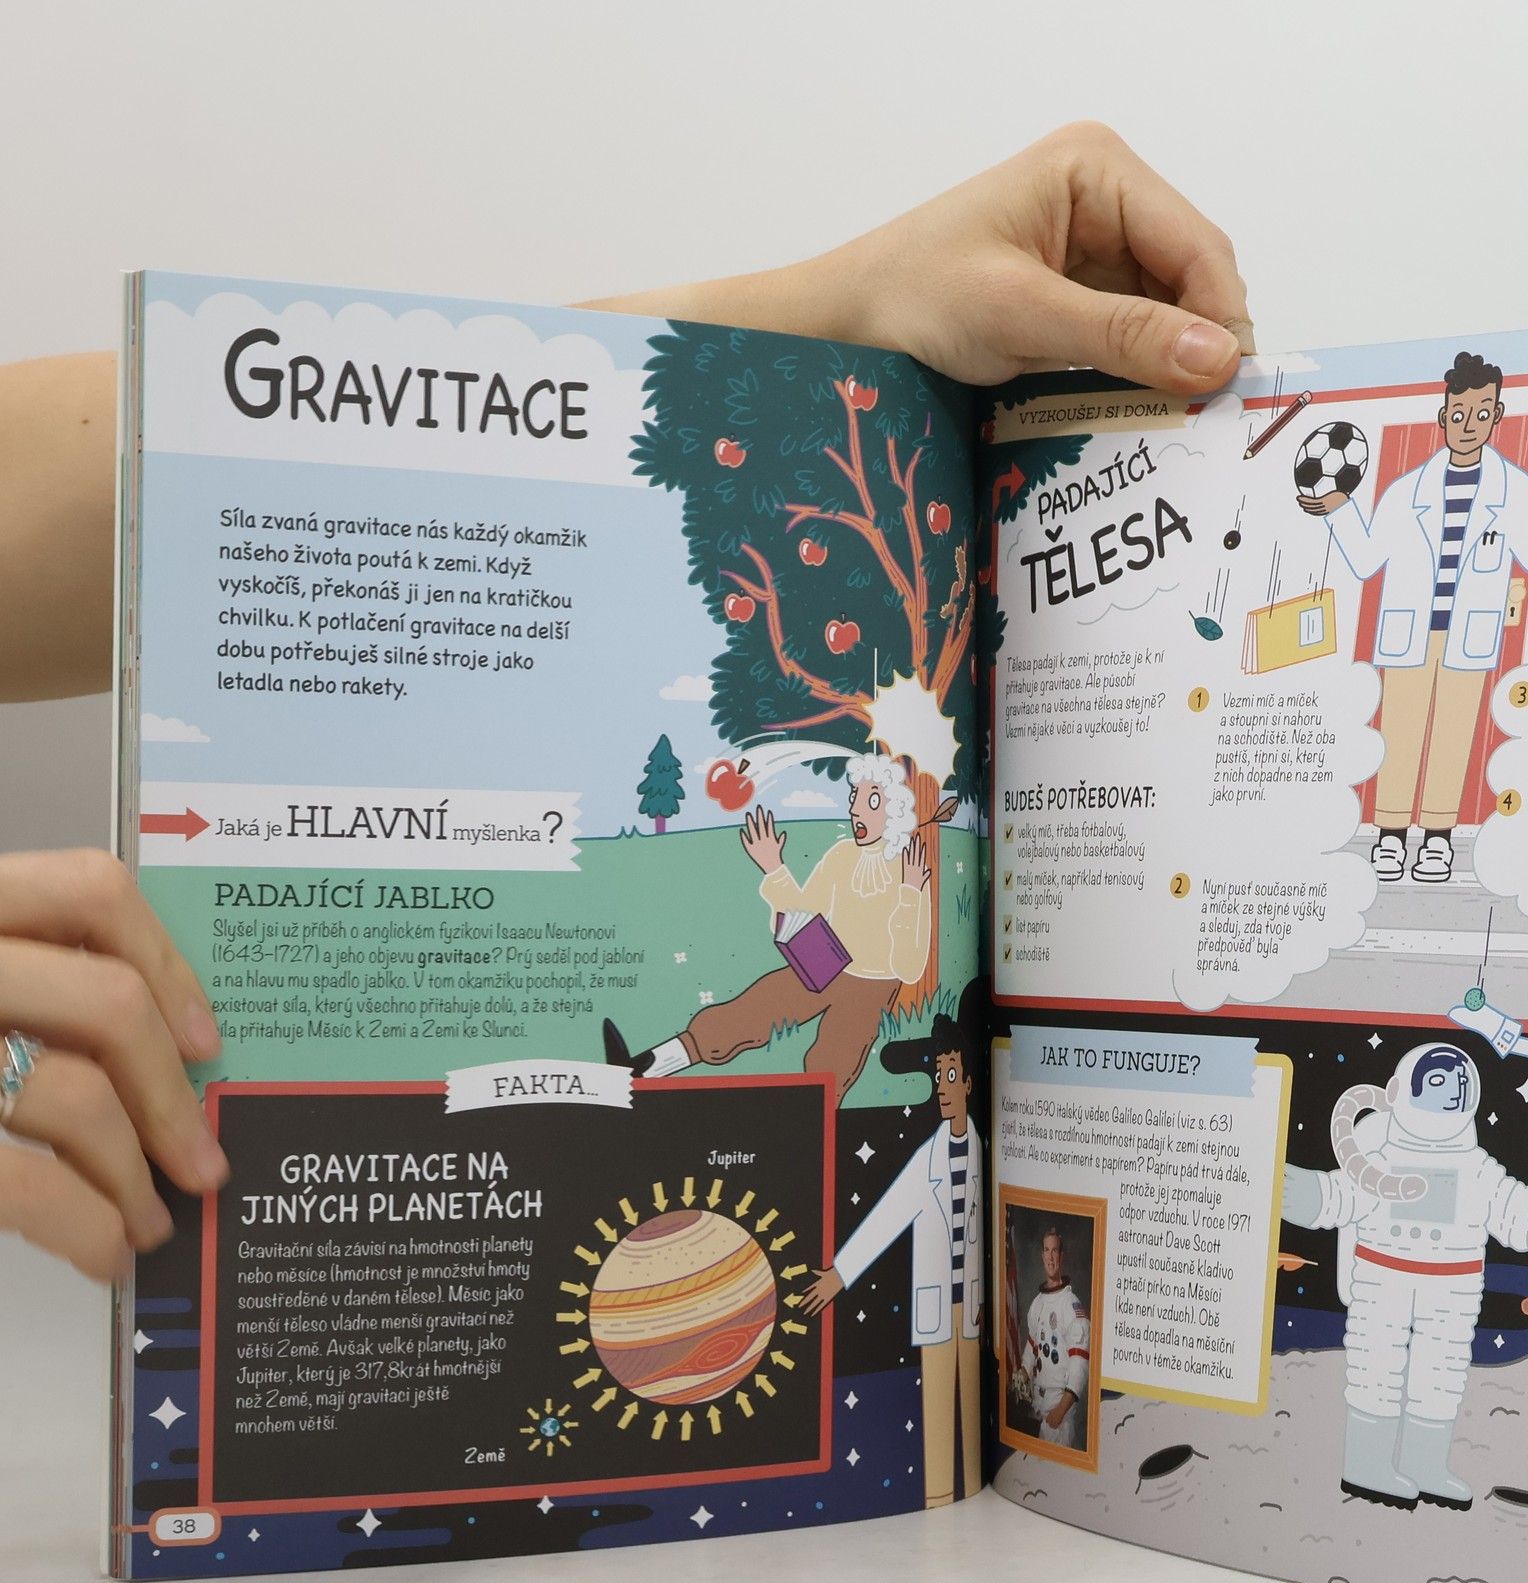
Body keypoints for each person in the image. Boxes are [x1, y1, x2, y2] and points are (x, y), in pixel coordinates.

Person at [0, 123, 1255, 1289]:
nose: (867, 796)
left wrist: (846, 307)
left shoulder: (910, 865)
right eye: (868, 786)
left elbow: (176, 470)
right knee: (754, 1013)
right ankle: (662, 1069)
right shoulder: (862, 850)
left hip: (860, 985)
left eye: (882, 788)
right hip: (826, 967)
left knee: (820, 1045)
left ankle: (778, 1117)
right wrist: (778, 881)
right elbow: (813, 922)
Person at [1298, 350, 1528, 885]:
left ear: (1496, 416)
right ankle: (1389, 835)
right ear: (1443, 417)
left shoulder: (1513, 489)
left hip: (1468, 637)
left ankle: (1436, 838)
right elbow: (1364, 561)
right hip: (1409, 634)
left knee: (1452, 736)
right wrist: (1339, 509)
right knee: (1401, 734)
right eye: (1458, 414)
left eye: (1480, 414)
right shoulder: (1405, 492)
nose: (1468, 425)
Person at [1279, 1042, 1528, 1512]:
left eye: (1458, 1085)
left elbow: (1511, 1207)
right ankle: (1367, 1465)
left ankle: (1425, 1465)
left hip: (1451, 1290)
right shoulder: (1377, 1160)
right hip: (1382, 1278)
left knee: (1441, 1374)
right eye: (1436, 1082)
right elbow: (1342, 1195)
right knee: (1375, 1366)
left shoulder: (1474, 1168)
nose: (1450, 1092)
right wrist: (1310, 1195)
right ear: (1400, 1091)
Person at [603, 755, 931, 1105]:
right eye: (855, 797)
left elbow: (910, 968)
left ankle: (812, 1124)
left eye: (872, 800)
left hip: (873, 983)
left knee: (834, 1057)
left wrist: (910, 893)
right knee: (745, 1014)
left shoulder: (908, 868)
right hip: (827, 963)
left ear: (894, 810)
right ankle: (641, 1070)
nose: (855, 809)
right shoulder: (841, 855)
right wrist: (775, 868)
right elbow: (804, 913)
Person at [798, 1013, 981, 1505]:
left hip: (973, 1307)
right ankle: (940, 1496)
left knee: (972, 1405)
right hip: (938, 1306)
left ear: (968, 1082)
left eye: (950, 1075)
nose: (942, 1088)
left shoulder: (979, 1146)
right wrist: (840, 1274)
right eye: (938, 1075)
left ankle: (972, 1478)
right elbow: (887, 1217)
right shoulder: (928, 1159)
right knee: (938, 1406)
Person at [1015, 1225, 1091, 1451]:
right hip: (1037, 1407)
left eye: (1054, 1251)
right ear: (1042, 1256)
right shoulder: (1038, 1303)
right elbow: (1033, 1344)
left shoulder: (1071, 1305)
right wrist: (1024, 1371)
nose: (1050, 1257)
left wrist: (1060, 1411)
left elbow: (1080, 1365)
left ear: (1061, 1256)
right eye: (1046, 1251)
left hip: (1059, 1414)